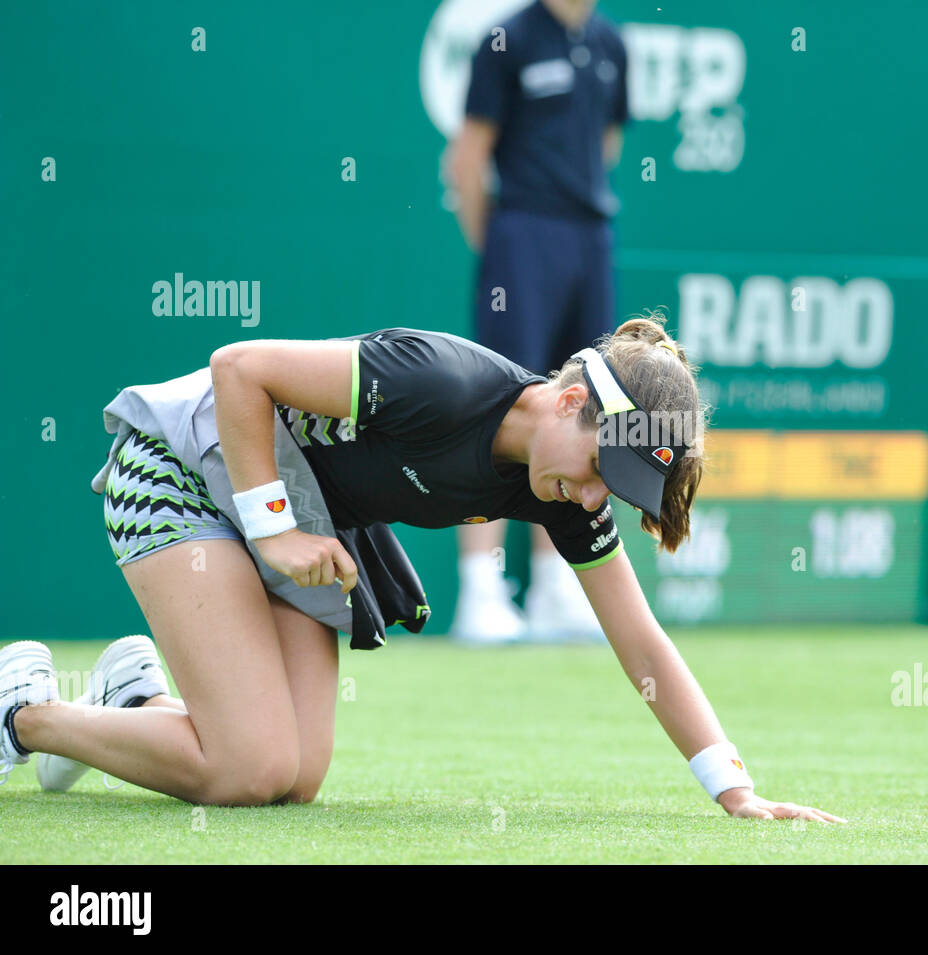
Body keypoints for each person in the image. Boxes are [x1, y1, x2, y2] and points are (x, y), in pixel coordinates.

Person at [0, 317, 846, 823]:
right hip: (182, 465)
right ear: (568, 401)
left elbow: (643, 644)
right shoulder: (440, 380)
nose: (595, 496)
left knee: (294, 778)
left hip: (295, 516)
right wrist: (275, 531)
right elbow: (238, 369)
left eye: (614, 490)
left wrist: (734, 789)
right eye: (600, 468)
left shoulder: (561, 491)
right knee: (247, 768)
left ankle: (133, 704)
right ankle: (26, 714)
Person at [447, 0, 629, 644]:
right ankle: (480, 590)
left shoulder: (611, 44)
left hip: (589, 236)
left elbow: (607, 143)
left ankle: (557, 585)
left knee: (585, 403)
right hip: (521, 235)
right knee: (502, 403)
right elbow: (467, 158)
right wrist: (500, 246)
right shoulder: (507, 39)